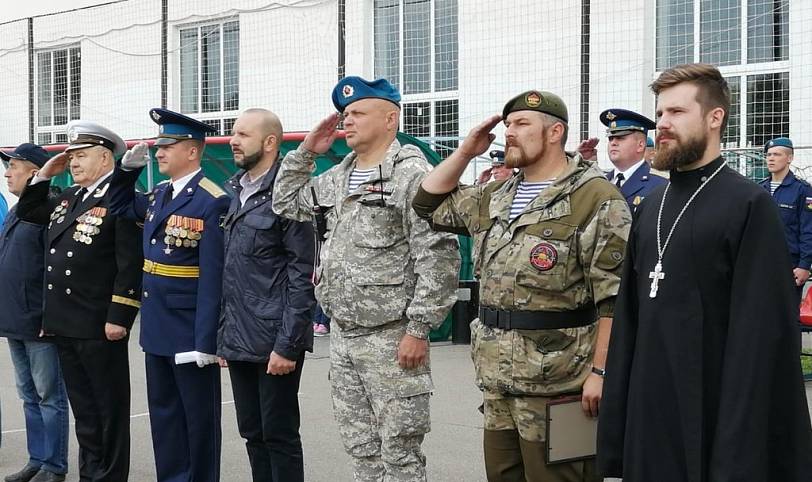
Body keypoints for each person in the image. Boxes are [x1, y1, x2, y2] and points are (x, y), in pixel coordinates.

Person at [597, 63, 812, 481]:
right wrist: (617, 431)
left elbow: (760, 343)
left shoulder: (750, 205)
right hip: (649, 417)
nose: (663, 124)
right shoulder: (652, 207)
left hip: (712, 418)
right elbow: (629, 321)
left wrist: (737, 455)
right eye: (660, 114)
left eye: (676, 113)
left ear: (715, 118)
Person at [413, 90, 632, 482]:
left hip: (561, 382)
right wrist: (466, 151)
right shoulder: (495, 195)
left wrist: (602, 372)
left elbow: (614, 301)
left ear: (554, 132)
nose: (509, 133)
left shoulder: (594, 198)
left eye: (521, 124)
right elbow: (426, 203)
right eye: (508, 124)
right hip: (498, 380)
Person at [273, 76, 460, 481]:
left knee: (400, 453)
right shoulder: (339, 176)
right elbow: (286, 202)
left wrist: (420, 329)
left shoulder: (411, 175)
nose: (347, 122)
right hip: (343, 335)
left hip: (392, 337)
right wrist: (306, 151)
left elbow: (438, 255)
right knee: (362, 450)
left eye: (358, 113)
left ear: (390, 118)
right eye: (345, 115)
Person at [15, 122, 144, 482]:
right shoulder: (71, 196)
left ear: (105, 158)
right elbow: (29, 211)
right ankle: (91, 475)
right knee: (85, 412)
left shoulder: (119, 197)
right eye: (71, 155)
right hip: (65, 323)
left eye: (81, 155)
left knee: (108, 410)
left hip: (99, 322)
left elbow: (129, 263)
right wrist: (43, 175)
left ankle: (110, 476)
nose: (72, 162)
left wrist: (120, 315)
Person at [108, 109, 229, 482]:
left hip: (189, 326)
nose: (158, 153)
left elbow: (213, 277)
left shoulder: (213, 200)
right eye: (158, 146)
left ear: (191, 151)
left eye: (166, 146)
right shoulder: (160, 193)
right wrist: (125, 172)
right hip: (158, 324)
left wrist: (207, 340)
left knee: (197, 419)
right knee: (164, 416)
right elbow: (119, 208)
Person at [216, 108, 316, 482]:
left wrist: (287, 346)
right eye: (234, 133)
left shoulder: (288, 197)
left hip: (275, 338)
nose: (233, 140)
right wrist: (225, 339)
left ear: (270, 143)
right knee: (252, 433)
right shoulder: (237, 192)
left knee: (279, 434)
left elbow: (302, 276)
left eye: (242, 134)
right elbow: (232, 273)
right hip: (240, 338)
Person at [0, 144, 69, 482]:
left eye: (13, 166)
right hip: (15, 318)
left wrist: (50, 316)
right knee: (28, 395)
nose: (7, 172)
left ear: (34, 172)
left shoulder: (48, 208)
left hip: (38, 319)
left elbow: (55, 269)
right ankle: (37, 460)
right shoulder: (17, 209)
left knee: (49, 395)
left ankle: (54, 466)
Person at [759, 137, 812, 298]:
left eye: (777, 154)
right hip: (762, 262)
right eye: (768, 155)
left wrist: (804, 265)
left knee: (787, 316)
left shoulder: (802, 190)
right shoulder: (760, 189)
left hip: (790, 264)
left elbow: (808, 230)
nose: (771, 158)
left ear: (789, 158)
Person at [601, 108, 666, 211]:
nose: (613, 143)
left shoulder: (660, 185)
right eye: (611, 138)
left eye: (621, 138)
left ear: (640, 145)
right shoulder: (602, 182)